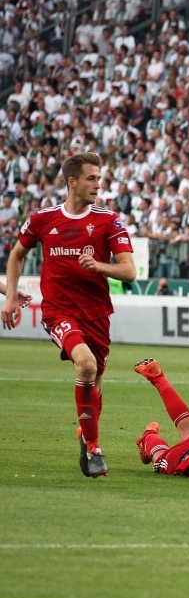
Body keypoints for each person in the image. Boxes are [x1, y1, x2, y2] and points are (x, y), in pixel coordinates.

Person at [2, 153, 136, 478]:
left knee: (96, 379)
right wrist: (10, 295)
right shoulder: (43, 219)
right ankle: (94, 449)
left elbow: (129, 271)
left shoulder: (108, 220)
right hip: (58, 310)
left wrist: (99, 265)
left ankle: (85, 434)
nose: (98, 184)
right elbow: (17, 255)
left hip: (96, 312)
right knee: (86, 364)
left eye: (99, 178)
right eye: (91, 178)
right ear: (72, 181)